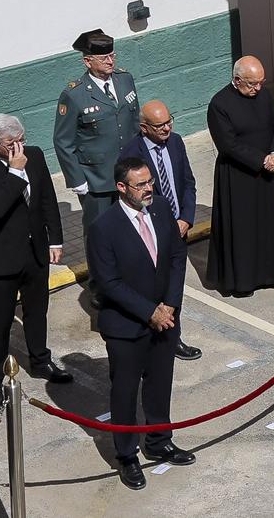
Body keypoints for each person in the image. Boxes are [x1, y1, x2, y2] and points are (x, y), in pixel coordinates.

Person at [89, 157, 195, 489]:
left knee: (160, 382)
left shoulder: (161, 209)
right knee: (125, 390)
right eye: (141, 184)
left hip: (166, 318)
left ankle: (159, 440)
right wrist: (150, 311)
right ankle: (127, 455)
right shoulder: (104, 228)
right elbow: (108, 282)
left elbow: (177, 257)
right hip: (126, 325)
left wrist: (170, 306)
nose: (149, 188)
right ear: (121, 188)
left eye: (150, 181)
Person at [0, 113, 69, 411]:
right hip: (1, 259)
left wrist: (55, 240)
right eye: (11, 143)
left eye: (21, 140)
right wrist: (14, 171)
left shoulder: (33, 156)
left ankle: (40, 360)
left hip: (35, 251)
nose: (18, 147)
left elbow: (47, 198)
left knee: (38, 311)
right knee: (2, 320)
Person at [117, 104, 205, 359]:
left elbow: (188, 183)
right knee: (154, 286)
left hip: (179, 228)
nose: (167, 128)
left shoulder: (176, 142)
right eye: (159, 125)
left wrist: (186, 218)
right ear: (144, 128)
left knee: (174, 285)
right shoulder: (131, 154)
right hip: (152, 231)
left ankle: (172, 337)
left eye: (169, 121)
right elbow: (130, 198)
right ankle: (154, 335)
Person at [205, 58, 274, 298]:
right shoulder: (219, 105)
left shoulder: (264, 96)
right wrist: (262, 160)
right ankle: (243, 280)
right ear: (237, 80)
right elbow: (228, 144)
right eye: (252, 84)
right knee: (242, 229)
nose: (257, 89)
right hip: (238, 175)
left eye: (261, 83)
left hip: (267, 173)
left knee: (267, 224)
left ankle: (270, 274)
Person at [54, 28, 140, 233]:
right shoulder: (74, 94)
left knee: (133, 225)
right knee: (100, 230)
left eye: (112, 56)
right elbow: (63, 141)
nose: (110, 61)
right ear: (88, 61)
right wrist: (77, 180)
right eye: (104, 58)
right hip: (97, 179)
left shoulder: (125, 79)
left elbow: (134, 122)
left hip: (129, 172)